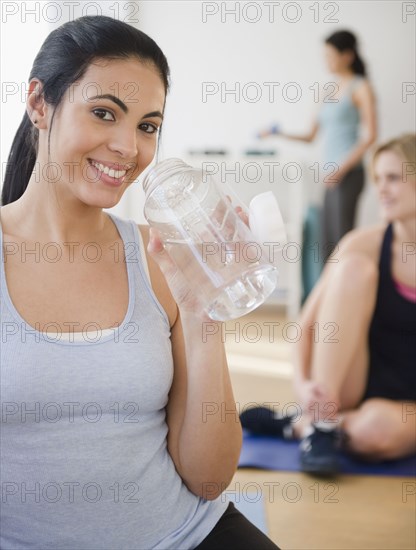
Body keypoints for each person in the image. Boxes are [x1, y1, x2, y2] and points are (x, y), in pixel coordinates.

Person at [0, 16, 279, 549]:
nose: (129, 148)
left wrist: (204, 315)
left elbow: (208, 477)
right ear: (39, 103)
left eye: (148, 126)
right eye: (104, 113)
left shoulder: (162, 257)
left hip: (185, 535)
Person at [241, 134, 416, 475]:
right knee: (352, 268)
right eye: (378, 178)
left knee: (374, 434)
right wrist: (304, 386)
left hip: (403, 408)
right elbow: (305, 326)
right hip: (356, 381)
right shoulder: (364, 244)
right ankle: (321, 422)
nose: (381, 188)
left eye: (393, 178)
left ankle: (298, 425)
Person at [259, 30, 377, 261]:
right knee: (327, 244)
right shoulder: (328, 90)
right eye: (325, 56)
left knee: (343, 242)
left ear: (348, 56)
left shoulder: (361, 87)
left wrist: (340, 169)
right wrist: (278, 133)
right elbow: (311, 136)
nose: (327, 61)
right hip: (330, 176)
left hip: (349, 174)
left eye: (331, 56)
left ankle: (347, 294)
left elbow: (370, 136)